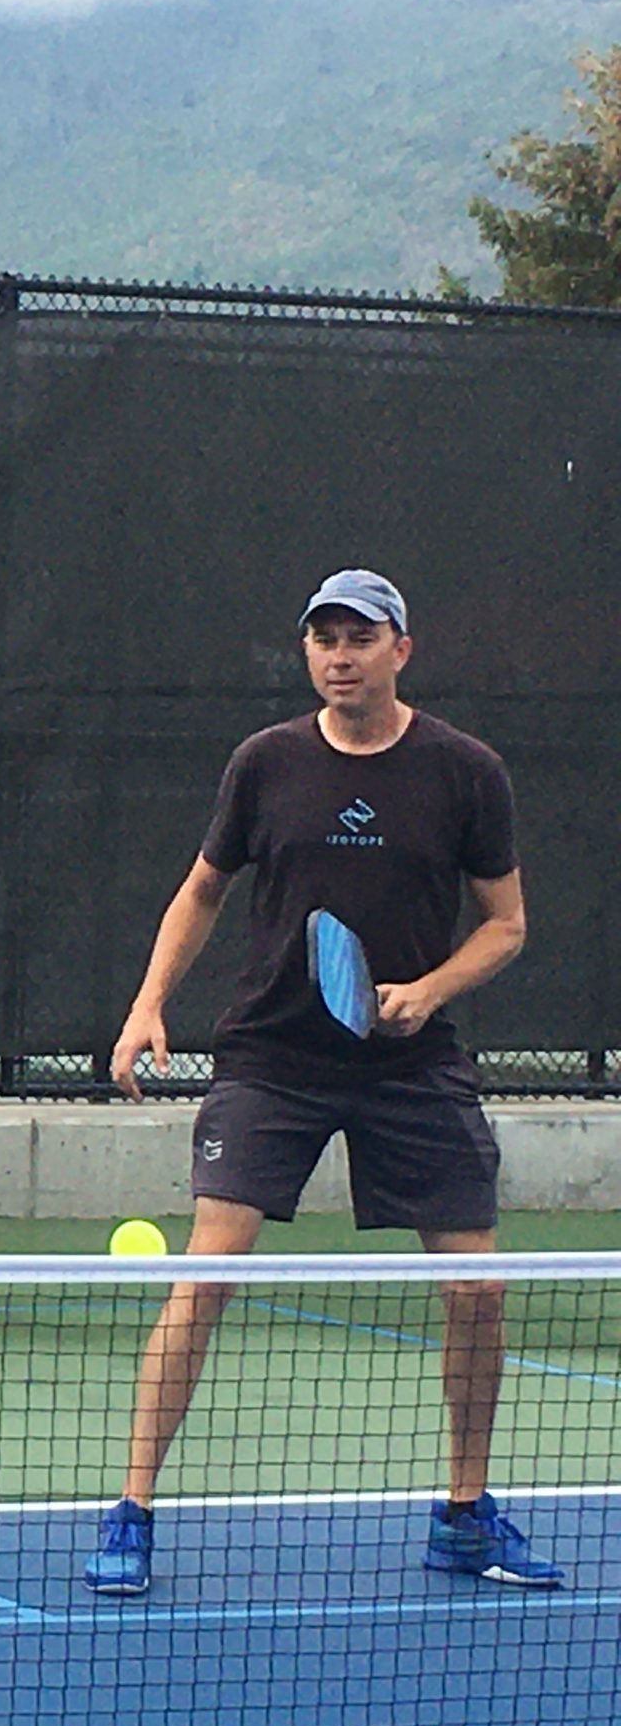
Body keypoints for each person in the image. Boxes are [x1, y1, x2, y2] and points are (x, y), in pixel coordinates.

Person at [87, 568, 560, 1596]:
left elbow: (508, 926)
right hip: (274, 1057)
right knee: (209, 1268)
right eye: (322, 638)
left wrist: (427, 990)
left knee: (477, 1288)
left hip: (410, 1061)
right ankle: (129, 1509)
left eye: (359, 637)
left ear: (401, 649)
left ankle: (465, 1514)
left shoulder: (464, 771)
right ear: (306, 652)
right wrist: (145, 1005)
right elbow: (202, 890)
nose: (338, 655)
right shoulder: (266, 764)